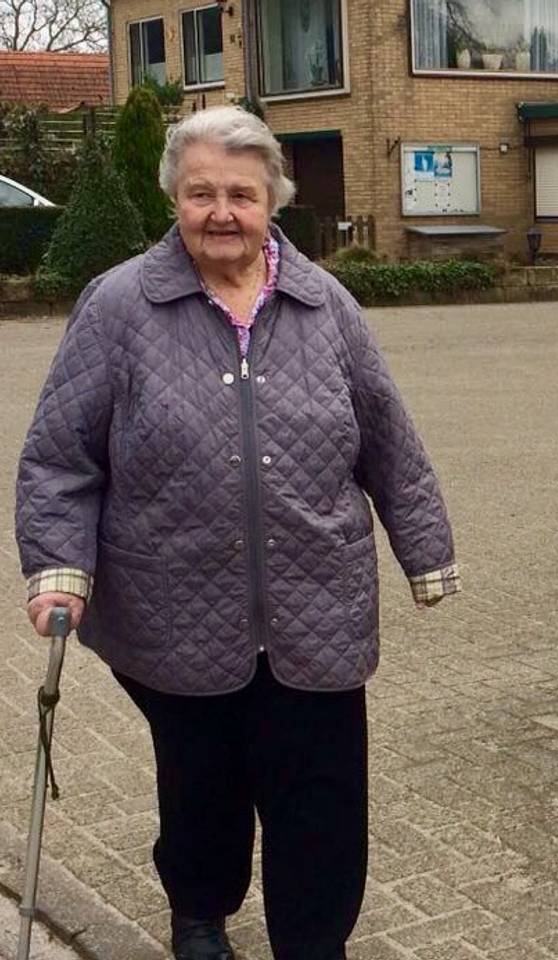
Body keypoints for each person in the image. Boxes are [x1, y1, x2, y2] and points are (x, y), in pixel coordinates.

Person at [15, 106, 457, 960]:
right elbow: (61, 455)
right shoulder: (118, 307)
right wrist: (59, 563)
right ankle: (200, 914)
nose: (223, 212)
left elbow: (388, 438)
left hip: (318, 602)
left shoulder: (324, 302)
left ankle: (313, 941)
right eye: (201, 193)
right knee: (203, 789)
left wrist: (426, 549)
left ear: (272, 203)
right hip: (173, 608)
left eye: (242, 195)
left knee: (321, 801)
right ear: (174, 200)